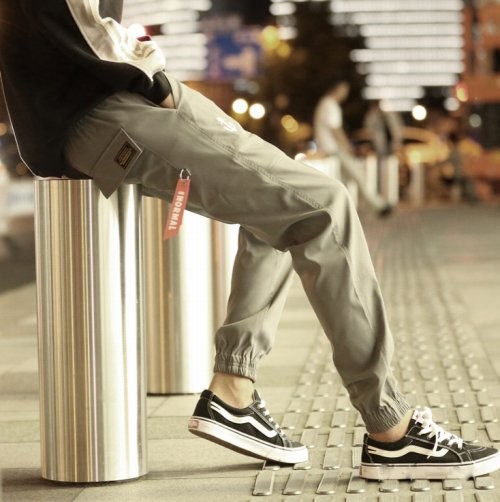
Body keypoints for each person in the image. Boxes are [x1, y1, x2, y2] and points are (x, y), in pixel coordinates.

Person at [0, 1, 498, 480]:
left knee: (281, 197)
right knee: (323, 207)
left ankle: (233, 389)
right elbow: (73, 17)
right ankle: (392, 430)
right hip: (95, 109)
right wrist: (152, 76)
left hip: (111, 95)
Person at [314, 81, 392, 216]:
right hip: (335, 149)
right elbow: (336, 129)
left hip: (329, 149)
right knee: (359, 176)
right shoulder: (330, 105)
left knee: (342, 181)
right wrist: (347, 146)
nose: (345, 94)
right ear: (338, 89)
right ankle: (378, 205)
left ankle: (343, 210)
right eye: (344, 90)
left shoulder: (323, 104)